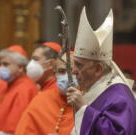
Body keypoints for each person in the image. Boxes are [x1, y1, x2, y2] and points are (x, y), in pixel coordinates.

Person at [67, 7, 136, 135]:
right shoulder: (96, 88)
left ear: (98, 69)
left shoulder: (119, 96)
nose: (74, 71)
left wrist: (83, 109)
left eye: (79, 65)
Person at [15, 52, 78, 135]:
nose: (67, 77)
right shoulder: (41, 99)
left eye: (72, 72)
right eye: (61, 71)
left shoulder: (88, 101)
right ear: (55, 74)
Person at [0, 45, 39, 135]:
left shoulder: (25, 89)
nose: (1, 68)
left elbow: (14, 127)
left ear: (20, 67)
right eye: (0, 64)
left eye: (6, 64)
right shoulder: (6, 85)